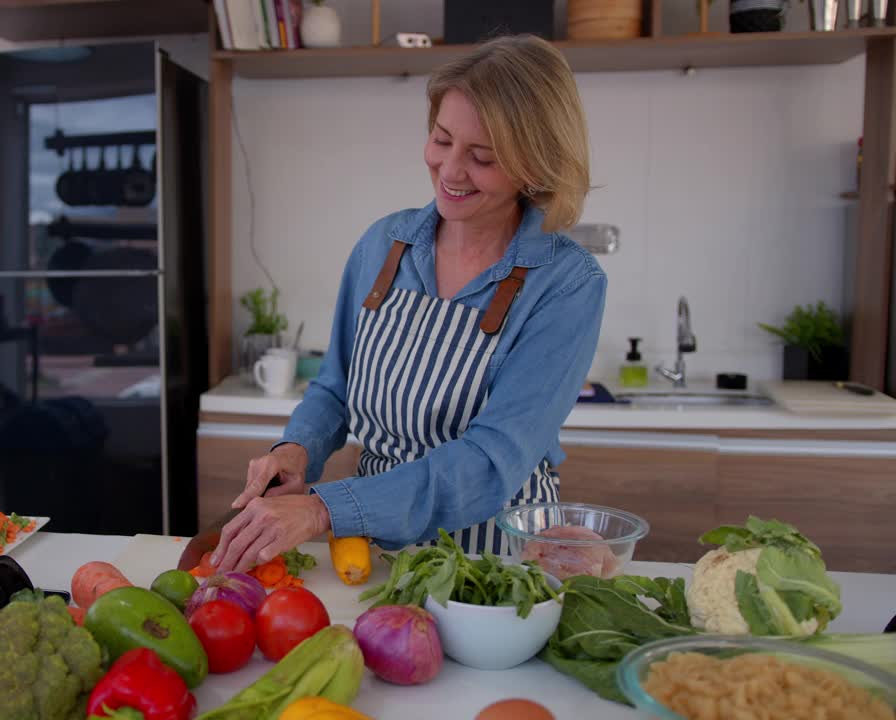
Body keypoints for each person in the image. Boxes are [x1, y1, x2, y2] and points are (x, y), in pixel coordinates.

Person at [211, 35, 607, 572]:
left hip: (489, 565)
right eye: (442, 140)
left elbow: (490, 464)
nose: (450, 170)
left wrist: (324, 508)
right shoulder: (384, 244)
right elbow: (336, 387)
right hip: (370, 550)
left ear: (534, 167)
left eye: (482, 157)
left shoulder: (566, 283)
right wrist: (296, 450)